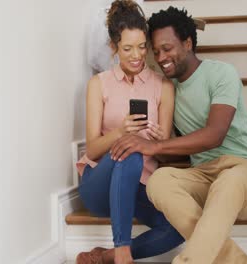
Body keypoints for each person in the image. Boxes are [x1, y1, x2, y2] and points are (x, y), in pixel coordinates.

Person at [109, 6, 247, 264]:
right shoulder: (167, 89)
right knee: (159, 181)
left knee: (228, 182)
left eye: (168, 48)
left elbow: (214, 135)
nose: (161, 57)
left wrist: (157, 147)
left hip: (245, 172)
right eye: (157, 51)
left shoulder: (221, 73)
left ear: (187, 43)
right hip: (203, 176)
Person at [75, 1, 184, 263]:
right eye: (127, 48)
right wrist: (121, 132)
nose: (136, 55)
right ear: (114, 48)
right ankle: (123, 250)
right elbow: (92, 149)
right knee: (131, 149)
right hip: (99, 185)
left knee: (179, 226)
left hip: (140, 187)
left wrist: (160, 142)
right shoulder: (98, 84)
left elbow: (166, 151)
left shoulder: (163, 87)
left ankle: (109, 257)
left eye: (141, 46)